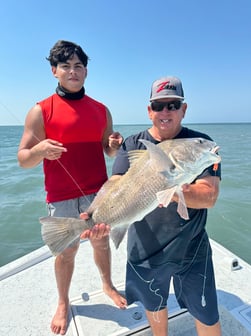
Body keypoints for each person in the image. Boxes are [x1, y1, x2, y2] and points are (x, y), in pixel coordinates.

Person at [17, 40, 126, 335]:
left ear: (86, 72)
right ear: (54, 71)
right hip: (61, 195)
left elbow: (109, 151)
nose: (73, 71)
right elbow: (23, 158)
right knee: (67, 252)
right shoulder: (40, 111)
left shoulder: (102, 111)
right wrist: (39, 151)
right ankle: (63, 302)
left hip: (99, 193)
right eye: (66, 66)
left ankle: (107, 284)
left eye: (78, 66)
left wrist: (114, 146)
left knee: (102, 241)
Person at [109, 76, 222, 336]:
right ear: (150, 111)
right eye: (159, 106)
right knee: (154, 305)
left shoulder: (201, 144)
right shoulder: (132, 143)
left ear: (184, 109)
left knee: (207, 312)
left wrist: (171, 185)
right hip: (144, 247)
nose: (166, 111)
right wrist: (97, 216)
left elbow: (209, 196)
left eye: (173, 105)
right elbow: (116, 184)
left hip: (191, 248)